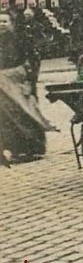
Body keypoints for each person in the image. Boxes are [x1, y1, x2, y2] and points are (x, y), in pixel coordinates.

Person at [0, 11, 57, 166]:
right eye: (0, 22)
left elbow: (31, 61)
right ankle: (12, 148)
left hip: (19, 82)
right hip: (2, 84)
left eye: (5, 22)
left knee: (24, 114)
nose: (2, 25)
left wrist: (30, 82)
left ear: (11, 23)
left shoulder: (21, 40)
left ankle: (31, 148)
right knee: (6, 118)